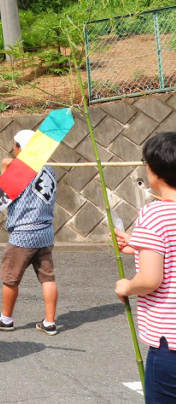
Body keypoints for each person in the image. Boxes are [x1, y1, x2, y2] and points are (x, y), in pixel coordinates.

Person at [115, 133, 176, 403]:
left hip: (169, 343)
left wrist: (126, 286)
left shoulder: (154, 214)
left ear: (154, 170)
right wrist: (138, 245)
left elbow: (150, 279)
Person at [0, 129, 59, 335]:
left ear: (19, 148)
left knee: (10, 278)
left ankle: (6, 319)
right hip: (45, 231)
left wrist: (4, 168)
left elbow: (1, 195)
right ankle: (49, 322)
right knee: (48, 278)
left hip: (24, 233)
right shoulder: (49, 170)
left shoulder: (18, 171)